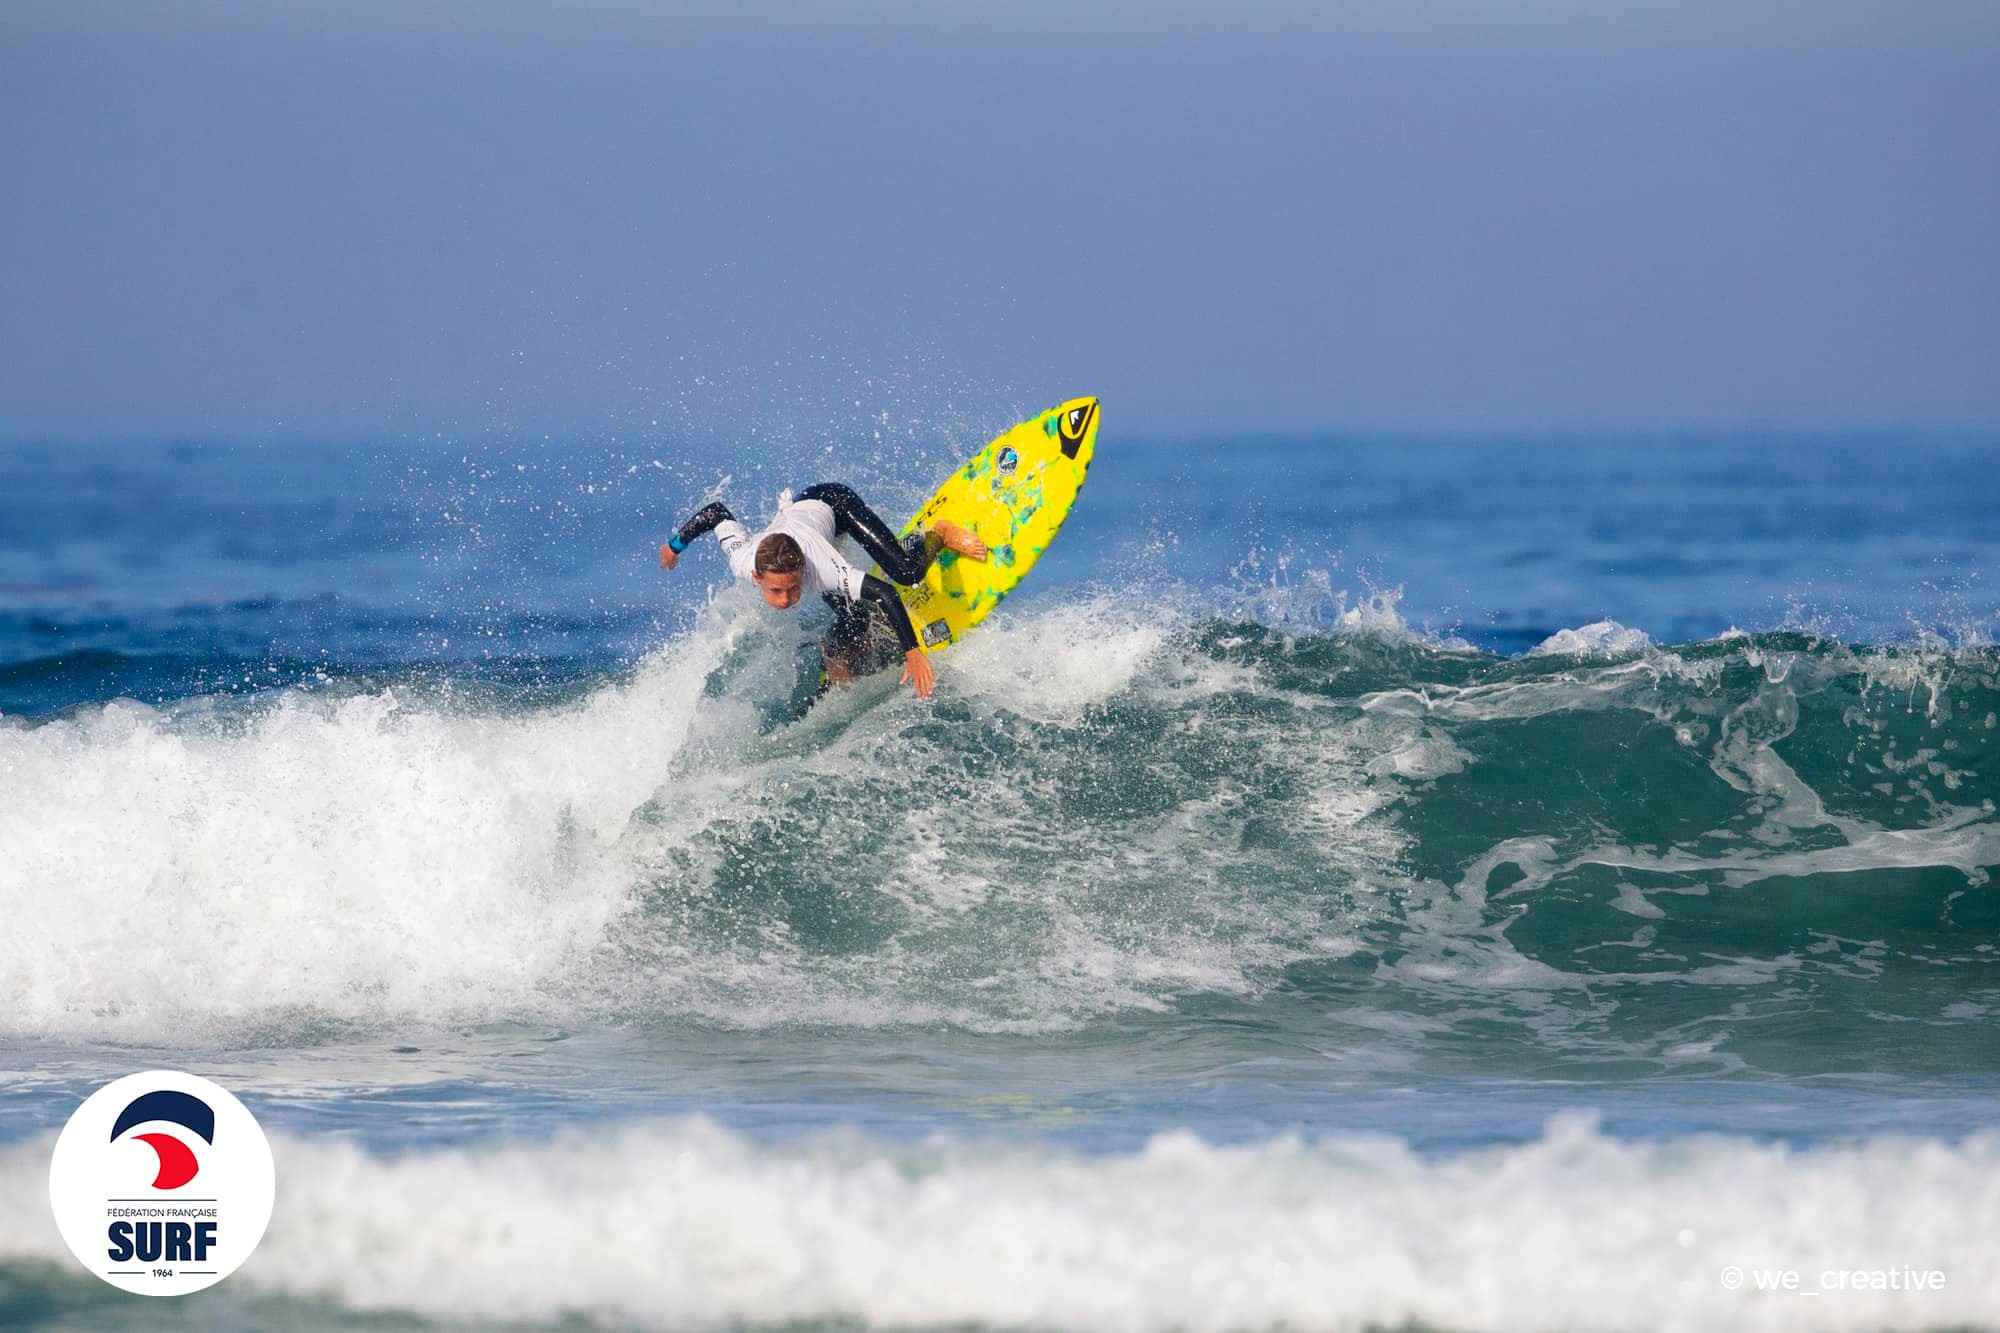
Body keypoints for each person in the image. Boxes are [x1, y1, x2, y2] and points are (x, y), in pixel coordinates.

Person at [659, 483, 986, 698]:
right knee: (855, 620)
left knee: (906, 574)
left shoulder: (824, 570)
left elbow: (887, 593)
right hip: (801, 517)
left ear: (803, 572)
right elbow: (716, 513)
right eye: (778, 591)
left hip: (834, 503)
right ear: (757, 577)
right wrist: (675, 546)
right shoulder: (743, 560)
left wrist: (912, 652)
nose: (786, 599)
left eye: (793, 588)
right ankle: (842, 657)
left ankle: (937, 535)